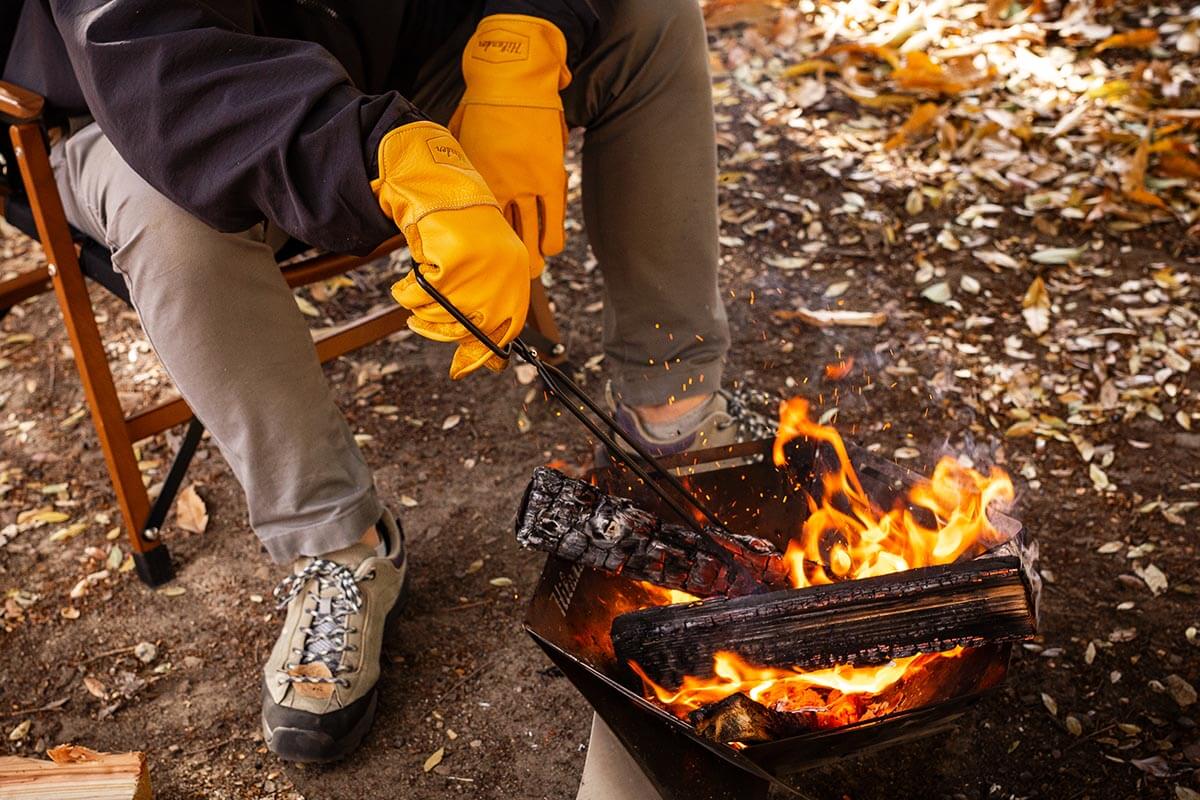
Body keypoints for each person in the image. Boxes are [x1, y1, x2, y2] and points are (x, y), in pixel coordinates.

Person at [4, 0, 763, 792]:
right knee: (170, 218)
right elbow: (159, 63)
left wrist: (524, 36)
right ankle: (334, 545)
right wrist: (385, 152)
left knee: (650, 14)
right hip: (154, 112)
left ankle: (674, 406)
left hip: (384, 70)